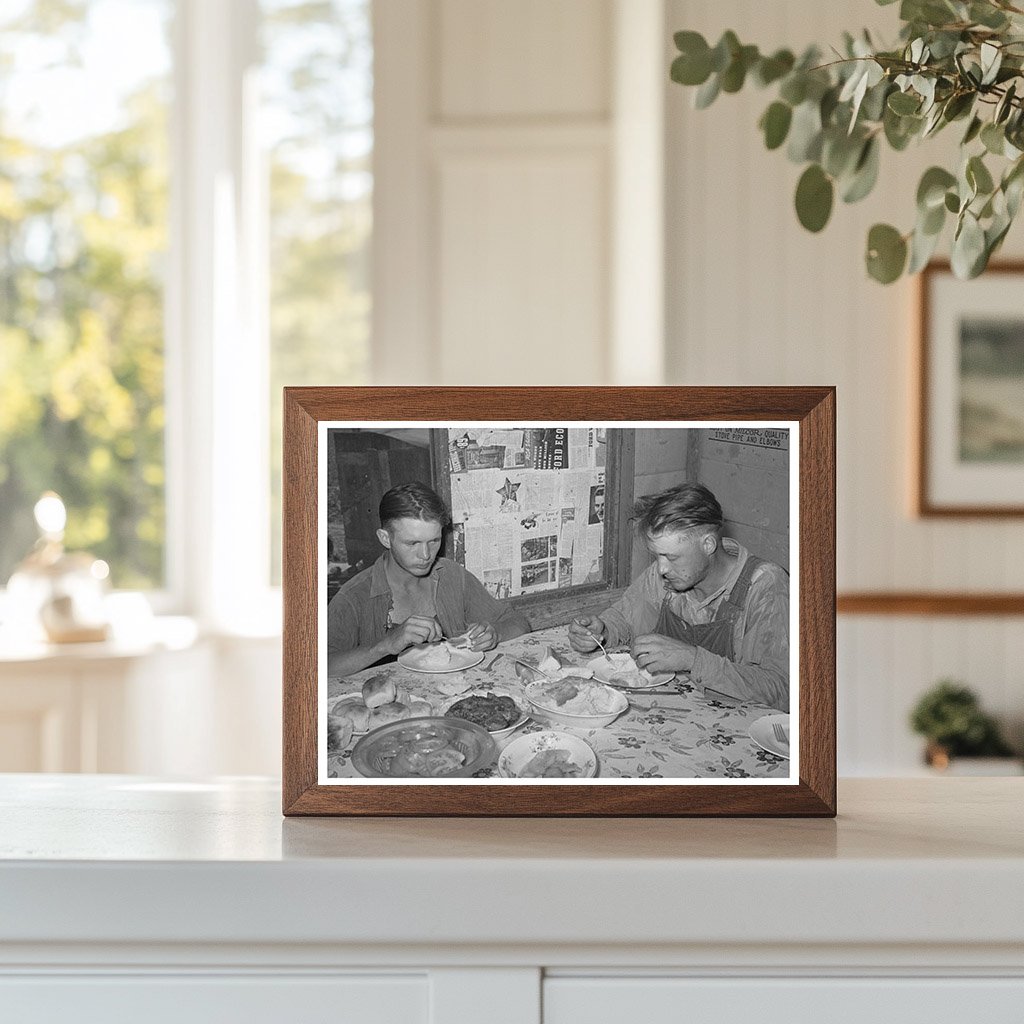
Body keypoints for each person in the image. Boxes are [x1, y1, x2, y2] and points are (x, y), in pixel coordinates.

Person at [568, 483, 789, 711]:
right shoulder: (667, 575)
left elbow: (784, 689)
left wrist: (692, 659)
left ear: (708, 544)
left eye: (671, 557)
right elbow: (626, 618)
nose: (661, 568)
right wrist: (602, 632)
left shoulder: (766, 585)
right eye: (657, 556)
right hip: (676, 714)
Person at [327, 482, 531, 677]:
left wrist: (494, 634)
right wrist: (385, 645)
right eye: (412, 543)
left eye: (434, 541)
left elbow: (519, 622)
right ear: (385, 538)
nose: (425, 555)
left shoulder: (452, 575)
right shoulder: (353, 596)